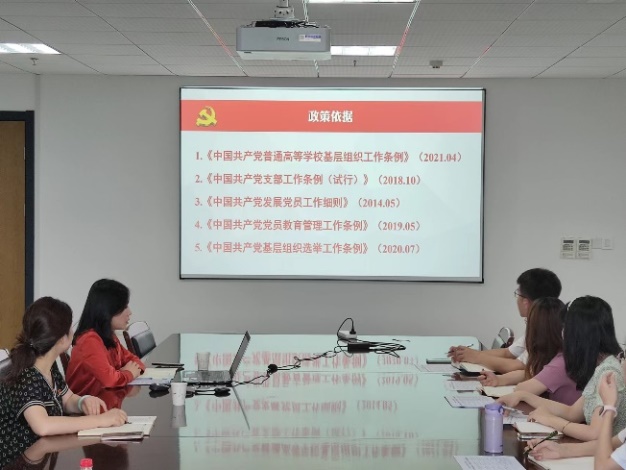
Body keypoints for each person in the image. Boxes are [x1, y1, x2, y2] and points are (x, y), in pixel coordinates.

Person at [0, 297, 127, 468]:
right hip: (17, 462)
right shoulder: (27, 375)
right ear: (61, 339)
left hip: (41, 453)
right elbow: (43, 426)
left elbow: (67, 399)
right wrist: (100, 421)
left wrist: (82, 402)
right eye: (70, 327)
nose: (72, 331)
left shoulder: (47, 366)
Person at [498, 296, 625, 441]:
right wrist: (523, 396)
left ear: (580, 333)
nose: (563, 333)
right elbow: (572, 413)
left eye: (566, 327)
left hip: (605, 453)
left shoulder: (609, 372)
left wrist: (550, 420)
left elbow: (595, 433)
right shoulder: (601, 366)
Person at [448, 268, 562, 373]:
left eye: (517, 294)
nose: (517, 299)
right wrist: (468, 354)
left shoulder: (545, 329)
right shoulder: (545, 320)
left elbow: (519, 366)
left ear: (526, 302)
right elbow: (508, 353)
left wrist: (476, 357)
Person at [478, 297, 580, 405]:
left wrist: (515, 387)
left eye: (528, 322)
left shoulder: (561, 362)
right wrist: (499, 379)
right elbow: (530, 373)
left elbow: (522, 389)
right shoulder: (558, 352)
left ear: (538, 329)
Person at [66, 279, 145, 396]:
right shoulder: (89, 340)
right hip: (88, 405)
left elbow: (135, 361)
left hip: (106, 399)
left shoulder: (109, 335)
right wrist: (128, 373)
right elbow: (110, 381)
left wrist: (121, 373)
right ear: (107, 309)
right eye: (124, 306)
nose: (130, 312)